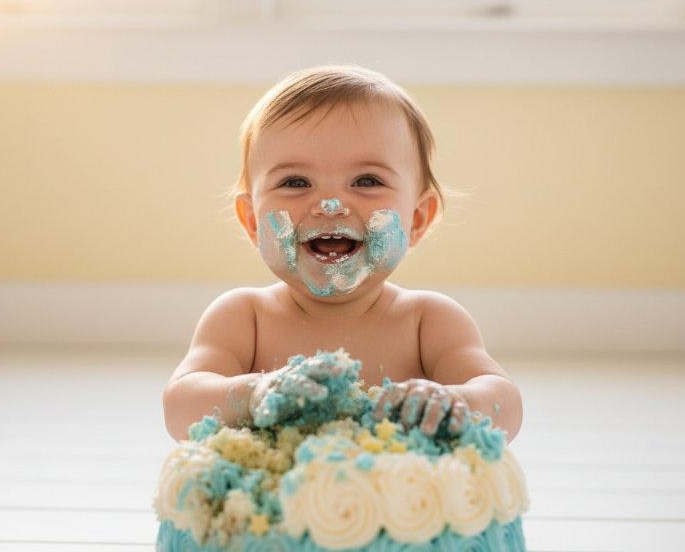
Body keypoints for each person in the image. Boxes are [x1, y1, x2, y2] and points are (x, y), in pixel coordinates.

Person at [162, 65, 522, 444]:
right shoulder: (244, 317)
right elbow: (180, 405)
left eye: (366, 181)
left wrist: (454, 401)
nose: (330, 205)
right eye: (295, 182)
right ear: (252, 220)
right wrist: (252, 396)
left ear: (417, 219)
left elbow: (504, 402)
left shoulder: (428, 321)